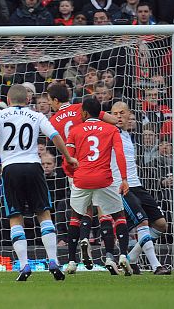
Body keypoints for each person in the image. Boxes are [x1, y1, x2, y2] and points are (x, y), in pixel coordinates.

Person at [0, 84, 77, 281]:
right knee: (43, 213)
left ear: (8, 101)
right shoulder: (36, 115)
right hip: (34, 166)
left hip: (10, 168)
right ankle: (53, 260)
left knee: (15, 217)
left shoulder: (0, 115)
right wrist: (68, 157)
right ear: (28, 100)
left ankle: (24, 265)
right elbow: (55, 136)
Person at [46, 82, 118, 273]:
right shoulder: (82, 108)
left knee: (80, 210)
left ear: (54, 100)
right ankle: (109, 254)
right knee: (103, 209)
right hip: (98, 165)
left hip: (74, 168)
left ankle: (76, 252)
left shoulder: (53, 120)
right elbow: (111, 119)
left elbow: (51, 141)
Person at [65, 97, 132, 275]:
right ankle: (123, 255)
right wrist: (124, 178)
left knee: (76, 216)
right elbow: (119, 154)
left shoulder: (75, 130)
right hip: (104, 179)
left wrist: (72, 174)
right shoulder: (111, 129)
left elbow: (68, 159)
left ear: (85, 113)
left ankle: (71, 261)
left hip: (82, 178)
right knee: (118, 214)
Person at [110, 102, 171, 275]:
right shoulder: (108, 133)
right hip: (121, 186)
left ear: (129, 115)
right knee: (142, 222)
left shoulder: (128, 135)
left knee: (160, 225)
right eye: (115, 113)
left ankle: (131, 259)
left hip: (136, 184)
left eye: (122, 112)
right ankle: (156, 266)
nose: (119, 116)